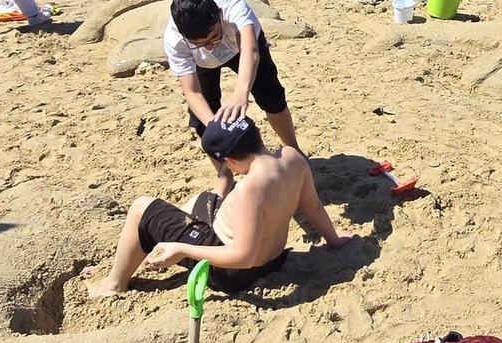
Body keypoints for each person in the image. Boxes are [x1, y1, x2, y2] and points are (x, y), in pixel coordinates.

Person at [84, 116, 352, 298]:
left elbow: (244, 256)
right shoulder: (293, 158)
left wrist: (181, 250)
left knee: (142, 207)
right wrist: (335, 240)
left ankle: (114, 284)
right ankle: (130, 258)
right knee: (200, 201)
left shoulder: (251, 189)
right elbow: (313, 206)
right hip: (273, 258)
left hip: (233, 273)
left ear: (229, 162)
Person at [162, 0, 301, 171]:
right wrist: (217, 130)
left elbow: (250, 51)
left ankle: (294, 150)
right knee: (204, 121)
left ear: (220, 15)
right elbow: (192, 92)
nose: (210, 46)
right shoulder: (174, 40)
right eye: (199, 44)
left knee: (271, 96)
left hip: (241, 48)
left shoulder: (231, 4)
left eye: (213, 37)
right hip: (203, 63)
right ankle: (224, 176)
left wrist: (240, 93)